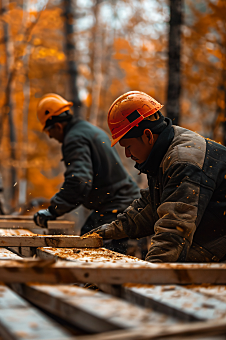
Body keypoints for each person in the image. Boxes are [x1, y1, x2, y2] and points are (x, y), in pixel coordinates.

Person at [89, 90, 226, 263]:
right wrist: (107, 231)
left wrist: (149, 276)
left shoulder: (183, 160)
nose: (127, 154)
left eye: (128, 146)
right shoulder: (166, 151)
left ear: (147, 135)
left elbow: (174, 229)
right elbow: (152, 207)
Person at [33, 93, 140, 254]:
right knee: (88, 245)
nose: (50, 136)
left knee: (88, 252)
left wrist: (53, 210)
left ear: (57, 126)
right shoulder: (87, 130)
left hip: (116, 206)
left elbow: (79, 181)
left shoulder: (74, 138)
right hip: (121, 203)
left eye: (48, 131)